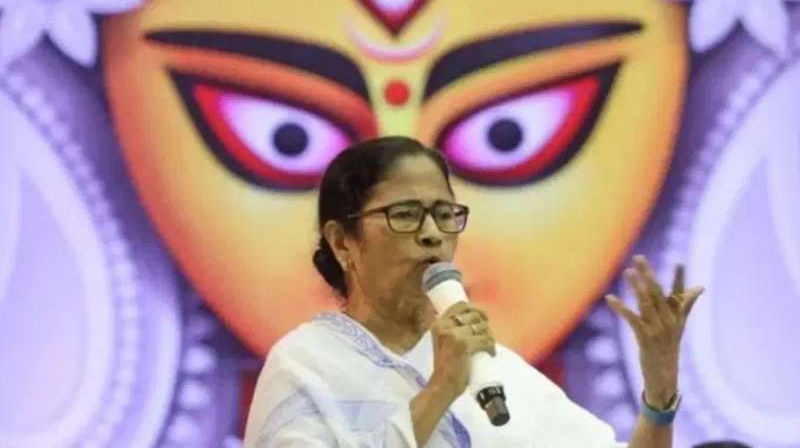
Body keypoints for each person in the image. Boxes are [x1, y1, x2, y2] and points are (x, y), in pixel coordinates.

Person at [243, 136, 704, 447]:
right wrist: (441, 389)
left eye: (445, 215)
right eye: (405, 214)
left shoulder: (496, 371)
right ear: (342, 242)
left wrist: (659, 396)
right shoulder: (305, 366)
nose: (432, 234)